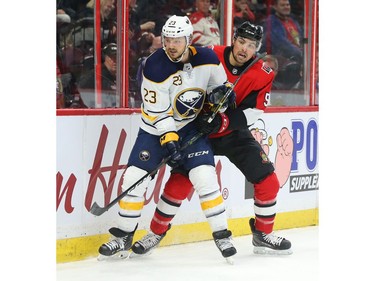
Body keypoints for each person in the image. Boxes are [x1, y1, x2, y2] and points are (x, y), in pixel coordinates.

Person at [132, 21, 292, 256]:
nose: (244, 49)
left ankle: (263, 234)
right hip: (197, 132)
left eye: (251, 45)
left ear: (256, 48)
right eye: (241, 42)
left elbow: (255, 112)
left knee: (268, 181)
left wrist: (225, 121)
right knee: (178, 185)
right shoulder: (210, 55)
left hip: (232, 134)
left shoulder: (263, 73)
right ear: (233, 39)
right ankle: (155, 232)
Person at [98, 15, 237, 261]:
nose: (171, 45)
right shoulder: (154, 66)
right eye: (168, 39)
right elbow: (158, 112)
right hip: (154, 130)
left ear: (187, 40)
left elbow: (221, 89)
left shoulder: (207, 59)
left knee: (205, 177)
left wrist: (219, 107)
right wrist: (169, 139)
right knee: (134, 179)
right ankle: (123, 236)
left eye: (177, 40)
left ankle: (222, 234)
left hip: (191, 129)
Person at [78, 43, 118, 107]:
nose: (115, 61)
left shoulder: (122, 76)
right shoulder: (96, 75)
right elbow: (81, 87)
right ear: (105, 58)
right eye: (112, 58)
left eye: (117, 57)